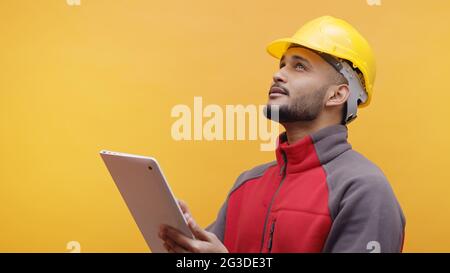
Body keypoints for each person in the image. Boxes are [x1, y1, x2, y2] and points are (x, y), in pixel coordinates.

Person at [158, 15, 405, 253]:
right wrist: (187, 239)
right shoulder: (246, 186)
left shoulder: (364, 191)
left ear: (337, 95)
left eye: (299, 66)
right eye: (282, 64)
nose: (278, 74)